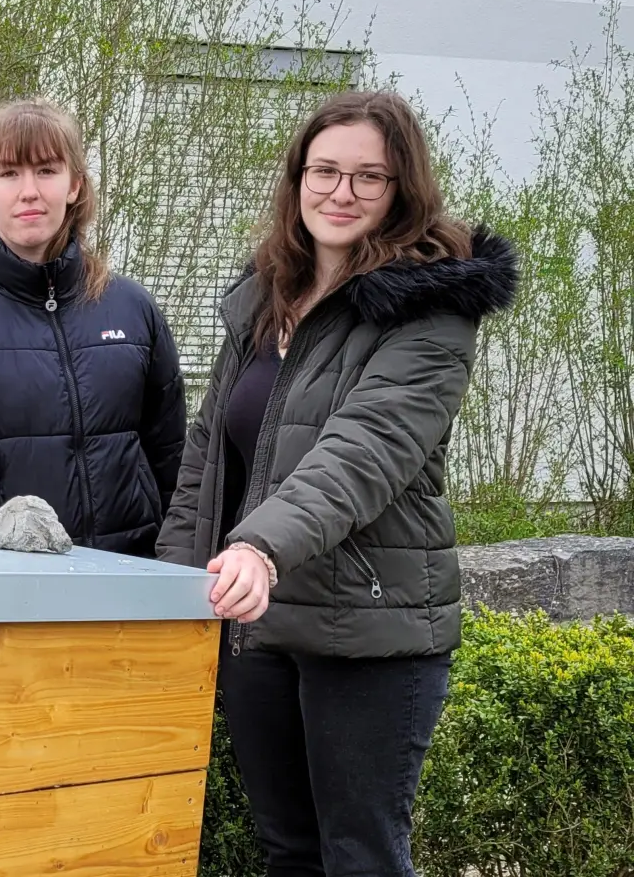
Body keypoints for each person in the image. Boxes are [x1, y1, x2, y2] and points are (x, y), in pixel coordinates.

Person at [156, 91, 519, 876]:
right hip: (259, 628)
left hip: (370, 632)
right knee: (287, 850)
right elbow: (207, 460)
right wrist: (170, 588)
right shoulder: (264, 300)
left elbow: (365, 451)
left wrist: (258, 545)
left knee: (360, 858)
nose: (340, 193)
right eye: (324, 171)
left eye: (368, 178)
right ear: (296, 180)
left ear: (402, 191)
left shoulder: (432, 311)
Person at [0, 99, 186, 553]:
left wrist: (178, 561)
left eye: (46, 170)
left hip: (128, 587)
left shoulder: (132, 310)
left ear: (75, 185)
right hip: (7, 593)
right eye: (9, 173)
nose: (29, 190)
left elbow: (174, 458)